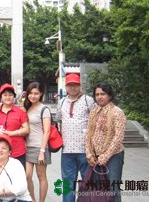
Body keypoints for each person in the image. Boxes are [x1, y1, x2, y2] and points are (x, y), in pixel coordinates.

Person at [55, 73, 96, 202]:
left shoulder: (88, 100)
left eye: (75, 85)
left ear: (80, 86)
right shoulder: (61, 102)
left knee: (86, 181)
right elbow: (58, 121)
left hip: (85, 150)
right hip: (67, 150)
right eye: (70, 85)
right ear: (66, 86)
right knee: (67, 183)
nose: (73, 88)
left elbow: (96, 120)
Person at [86, 83, 126, 202]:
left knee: (113, 189)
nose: (99, 97)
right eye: (97, 94)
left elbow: (118, 137)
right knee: (98, 190)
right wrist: (89, 154)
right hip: (95, 157)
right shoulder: (94, 112)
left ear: (109, 95)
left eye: (102, 94)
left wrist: (105, 156)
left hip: (113, 156)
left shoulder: (117, 112)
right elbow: (88, 134)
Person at [0, 83, 29, 169]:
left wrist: (11, 133)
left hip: (18, 151)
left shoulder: (20, 112)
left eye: (10, 95)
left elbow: (26, 130)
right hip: (0, 151)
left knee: (18, 178)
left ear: (14, 96)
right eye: (5, 95)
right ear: (1, 97)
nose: (8, 97)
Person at [24, 82, 51, 202]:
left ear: (41, 94)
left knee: (41, 176)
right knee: (27, 176)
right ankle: (32, 200)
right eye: (31, 93)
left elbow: (47, 131)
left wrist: (42, 151)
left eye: (36, 93)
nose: (33, 96)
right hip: (28, 147)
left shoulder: (44, 109)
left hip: (40, 147)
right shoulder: (27, 107)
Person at [0, 135, 32, 202]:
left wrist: (1, 192)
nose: (0, 150)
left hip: (19, 199)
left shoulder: (15, 164)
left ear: (9, 151)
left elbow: (22, 187)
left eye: (4, 148)